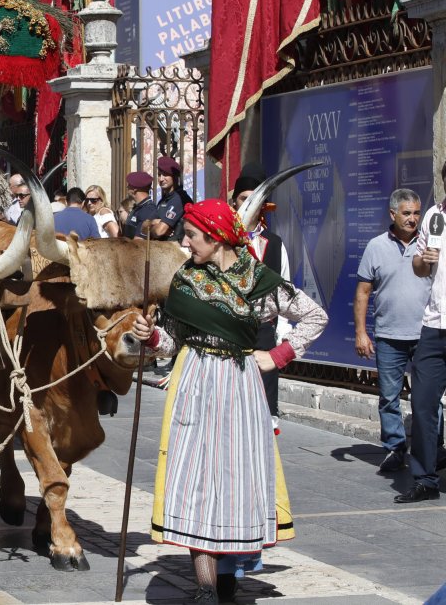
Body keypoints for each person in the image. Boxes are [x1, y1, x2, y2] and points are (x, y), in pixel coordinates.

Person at [127, 198, 327, 603]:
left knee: (237, 482)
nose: (185, 243)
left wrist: (278, 355)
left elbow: (315, 316)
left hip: (240, 388)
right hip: (195, 383)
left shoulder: (259, 280)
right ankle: (204, 587)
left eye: (192, 236)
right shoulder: (185, 279)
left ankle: (228, 574)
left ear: (217, 237)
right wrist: (150, 336)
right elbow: (171, 344)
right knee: (195, 481)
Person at [352, 189, 430, 473]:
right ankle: (395, 449)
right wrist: (361, 333)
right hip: (389, 336)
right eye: (407, 213)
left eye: (417, 213)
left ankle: (433, 448)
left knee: (428, 396)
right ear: (392, 214)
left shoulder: (430, 243)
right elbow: (362, 292)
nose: (413, 219)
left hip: (427, 335)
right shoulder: (375, 246)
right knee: (389, 396)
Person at [398, 164, 446, 503]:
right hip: (434, 325)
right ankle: (425, 479)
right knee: (423, 402)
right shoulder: (433, 215)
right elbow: (418, 267)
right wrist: (425, 261)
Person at [231, 166, 294, 418]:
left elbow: (285, 286)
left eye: (255, 199)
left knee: (265, 400)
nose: (249, 204)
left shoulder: (275, 243)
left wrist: (283, 327)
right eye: (243, 199)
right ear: (234, 202)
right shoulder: (222, 240)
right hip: (229, 328)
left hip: (264, 328)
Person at [149, 156, 194, 241]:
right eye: (159, 175)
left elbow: (159, 232)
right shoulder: (163, 200)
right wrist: (153, 222)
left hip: (178, 250)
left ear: (174, 176)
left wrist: (152, 226)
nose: (161, 179)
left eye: (165, 174)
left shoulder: (179, 199)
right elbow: (143, 226)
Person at [122, 171, 156, 240]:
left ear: (134, 189)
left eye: (129, 185)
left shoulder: (148, 210)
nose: (127, 187)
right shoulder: (138, 207)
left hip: (135, 249)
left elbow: (139, 242)